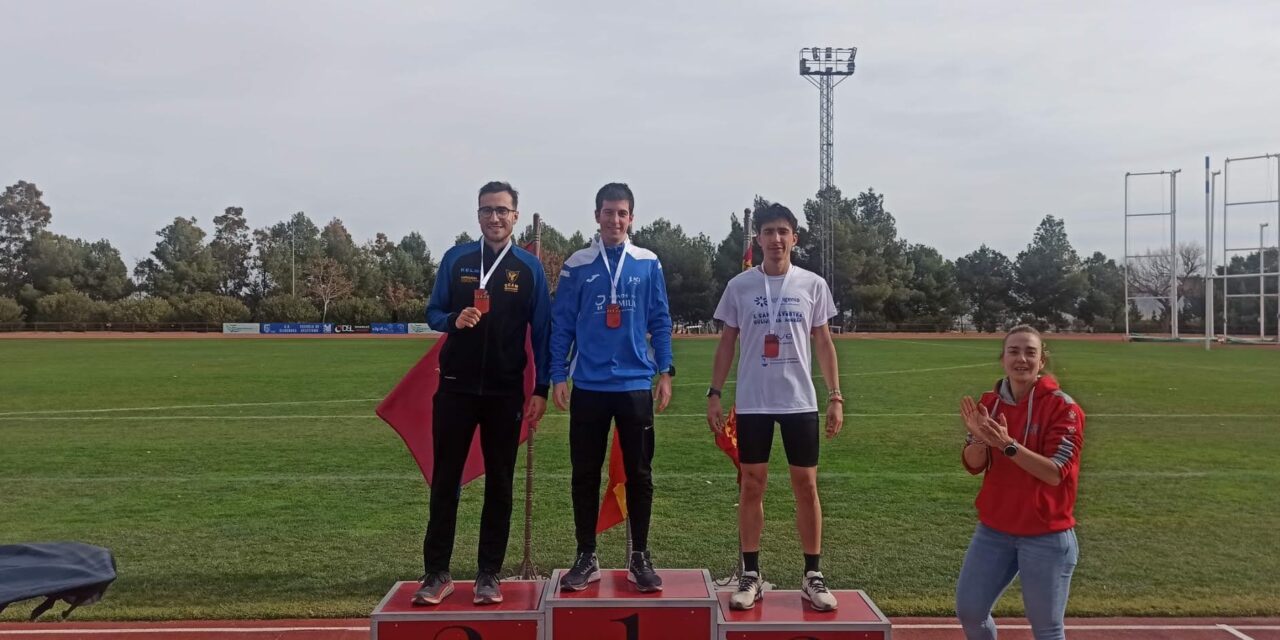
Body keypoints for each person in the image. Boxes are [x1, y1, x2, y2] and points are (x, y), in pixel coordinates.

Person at [414, 181, 551, 606]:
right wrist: (454, 318)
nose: (494, 217)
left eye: (502, 210)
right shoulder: (456, 260)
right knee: (446, 481)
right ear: (478, 216)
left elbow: (544, 334)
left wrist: (541, 388)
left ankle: (488, 573)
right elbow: (433, 312)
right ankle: (436, 572)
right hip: (455, 389)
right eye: (487, 210)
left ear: (515, 215)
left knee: (501, 484)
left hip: (505, 393)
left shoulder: (529, 269)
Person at [707, 203, 844, 612]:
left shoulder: (813, 284)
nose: (776, 239)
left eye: (784, 231)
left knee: (806, 485)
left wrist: (835, 396)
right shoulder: (740, 286)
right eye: (769, 232)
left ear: (794, 238)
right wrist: (714, 393)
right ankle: (751, 574)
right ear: (759, 239)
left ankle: (813, 575)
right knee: (752, 485)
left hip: (799, 400)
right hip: (753, 402)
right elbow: (727, 341)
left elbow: (823, 342)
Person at [550, 182, 674, 593]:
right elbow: (562, 323)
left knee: (640, 473)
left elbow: (660, 318)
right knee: (584, 473)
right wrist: (557, 374)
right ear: (597, 215)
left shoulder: (648, 262)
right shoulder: (577, 264)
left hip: (635, 385)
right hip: (588, 384)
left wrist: (666, 371)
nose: (614, 220)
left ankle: (639, 555)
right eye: (608, 212)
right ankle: (586, 555)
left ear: (631, 217)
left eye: (622, 213)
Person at [956, 325, 1085, 640]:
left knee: (1047, 629)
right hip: (994, 529)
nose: (1022, 359)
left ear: (1042, 362)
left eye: (1031, 352)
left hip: (1046, 534)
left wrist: (1007, 445)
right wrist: (981, 440)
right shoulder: (990, 403)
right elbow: (974, 465)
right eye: (1014, 351)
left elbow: (1055, 473)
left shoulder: (1064, 408)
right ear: (1003, 358)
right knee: (970, 611)